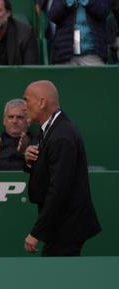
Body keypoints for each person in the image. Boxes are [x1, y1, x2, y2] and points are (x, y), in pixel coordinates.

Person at [22, 80, 101, 256]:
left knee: (59, 279)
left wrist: (36, 232)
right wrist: (28, 159)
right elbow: (46, 169)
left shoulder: (62, 135)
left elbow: (59, 189)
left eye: (26, 100)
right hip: (60, 225)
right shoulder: (48, 129)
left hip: (67, 227)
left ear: (42, 102)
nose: (24, 107)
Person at [48, 0, 111, 65]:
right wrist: (67, 2)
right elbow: (53, 15)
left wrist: (87, 1)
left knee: (97, 75)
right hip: (64, 55)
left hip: (93, 54)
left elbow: (104, 11)